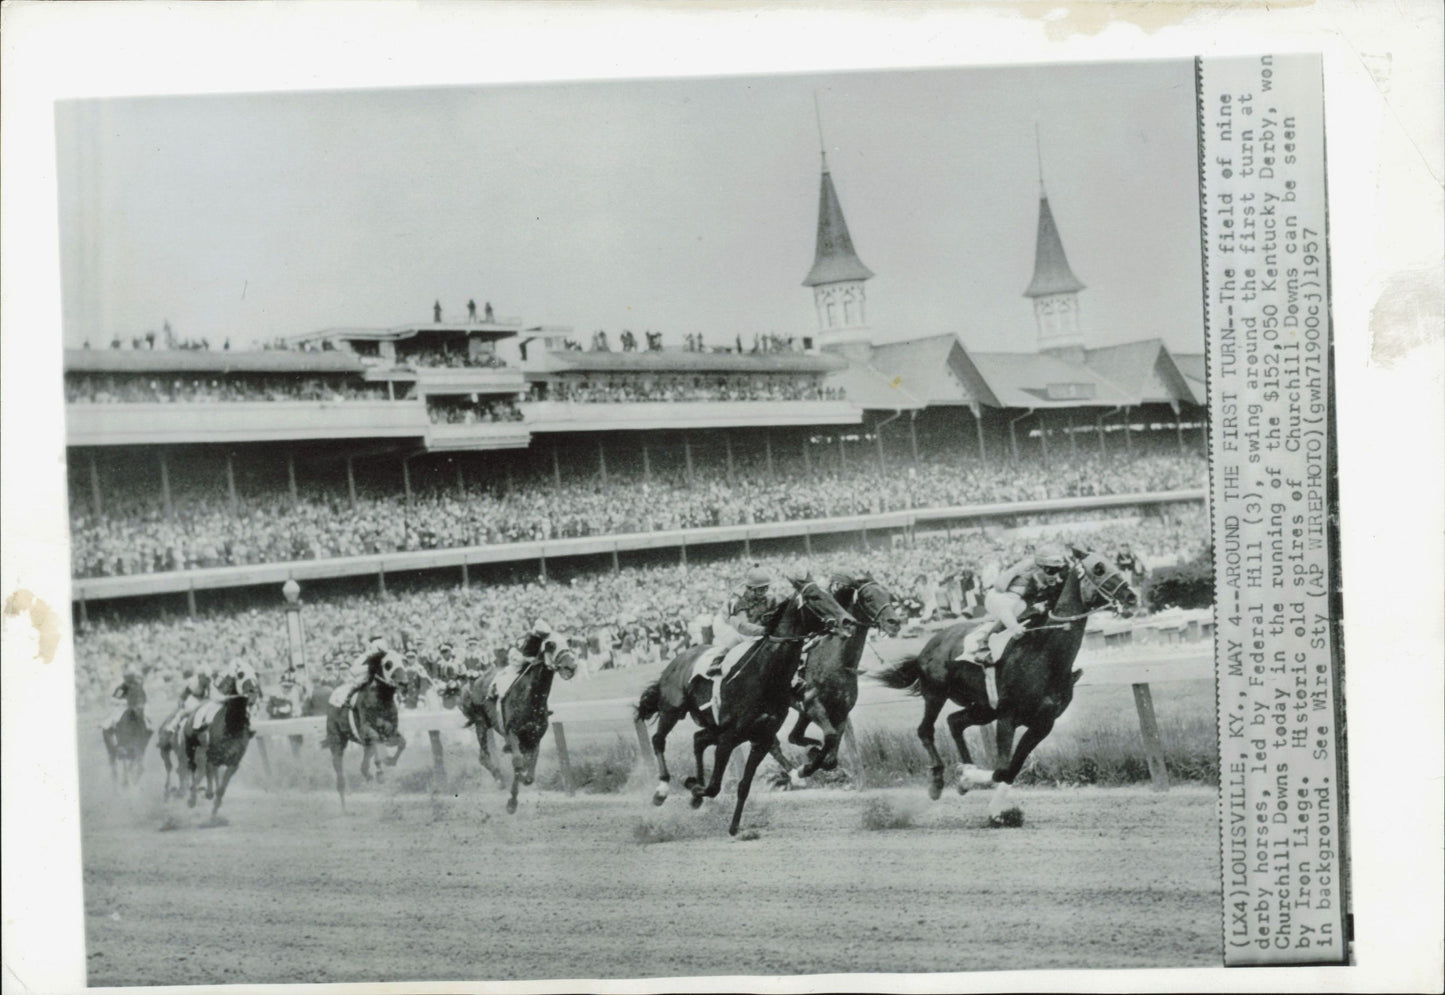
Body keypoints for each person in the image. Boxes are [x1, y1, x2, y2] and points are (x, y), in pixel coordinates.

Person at [967, 545, 1072, 665]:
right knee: (1018, 607)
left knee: (1034, 610)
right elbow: (1000, 590)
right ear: (1038, 568)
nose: (1055, 576)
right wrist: (1014, 627)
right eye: (1050, 571)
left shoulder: (1045, 577)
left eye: (1057, 570)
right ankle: (983, 644)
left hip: (1018, 603)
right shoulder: (1023, 574)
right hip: (999, 598)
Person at [341, 633, 390, 708]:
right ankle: (348, 697)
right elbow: (355, 670)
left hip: (379, 672)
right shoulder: (365, 655)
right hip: (366, 672)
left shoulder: (384, 651)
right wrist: (369, 668)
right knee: (361, 680)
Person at [102, 669, 148, 733]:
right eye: (128, 679)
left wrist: (141, 702)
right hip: (124, 706)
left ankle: (146, 728)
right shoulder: (122, 688)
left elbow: (142, 696)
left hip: (136, 705)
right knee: (117, 715)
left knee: (146, 715)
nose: (130, 682)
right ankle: (113, 728)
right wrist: (123, 702)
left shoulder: (137, 686)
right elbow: (114, 699)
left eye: (131, 678)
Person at [1115, 542, 1147, 612]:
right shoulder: (1117, 557)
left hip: (1132, 575)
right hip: (1123, 575)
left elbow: (1138, 566)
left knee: (1136, 590)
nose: (1125, 548)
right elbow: (1117, 566)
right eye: (1123, 547)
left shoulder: (1132, 555)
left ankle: (1139, 606)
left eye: (1126, 547)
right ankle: (1122, 608)